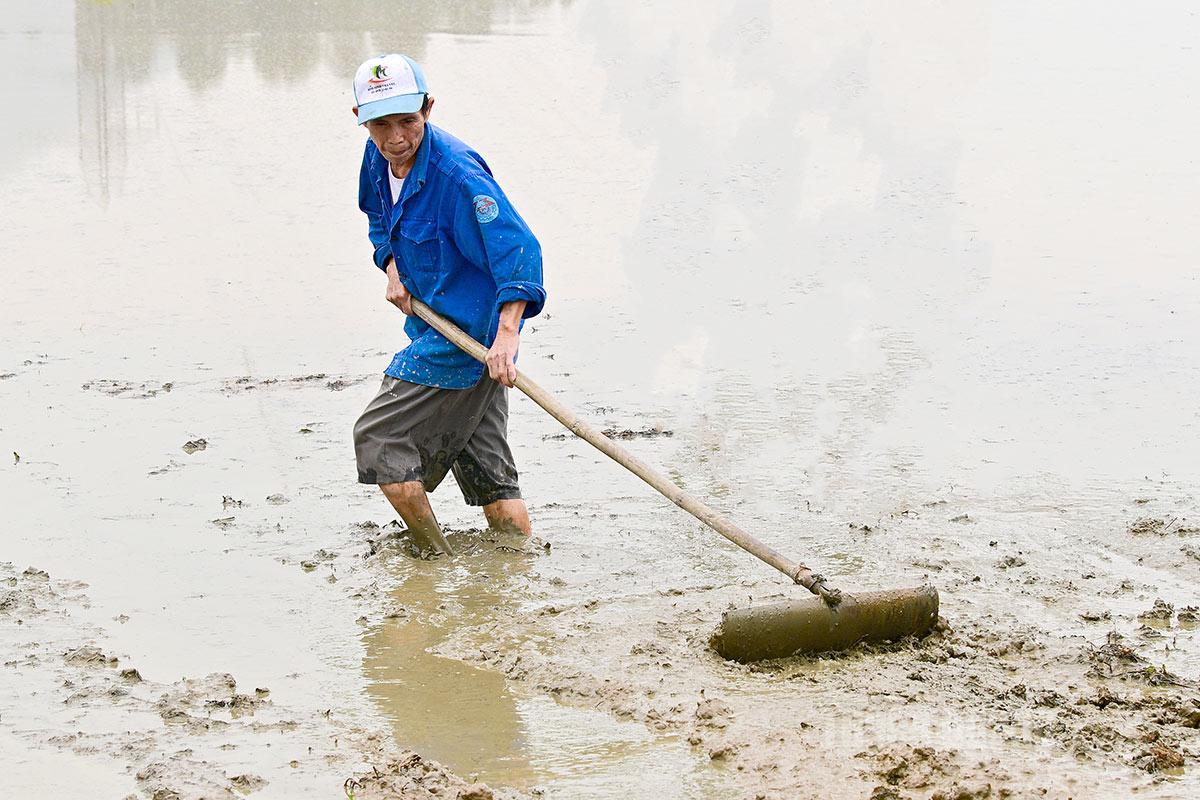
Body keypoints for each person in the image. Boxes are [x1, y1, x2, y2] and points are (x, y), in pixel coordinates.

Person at [350, 53, 545, 555]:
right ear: (360, 120)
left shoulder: (458, 177)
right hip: (441, 325)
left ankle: (432, 560)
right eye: (381, 124)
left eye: (407, 121)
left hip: (466, 338)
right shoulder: (379, 161)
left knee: (377, 438)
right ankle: (518, 571)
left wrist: (506, 335)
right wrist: (391, 263)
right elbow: (378, 219)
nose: (396, 137)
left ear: (428, 108)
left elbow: (519, 250)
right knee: (493, 485)